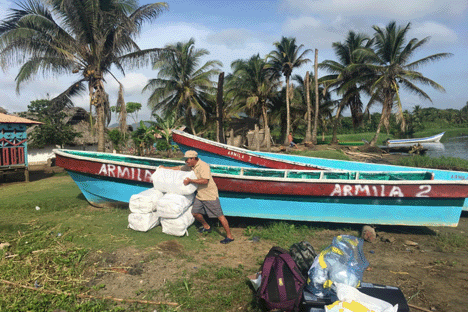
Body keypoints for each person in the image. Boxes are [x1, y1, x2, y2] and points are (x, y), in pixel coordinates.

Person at [160, 150, 234, 244]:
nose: (186, 162)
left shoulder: (203, 166)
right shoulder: (191, 166)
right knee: (195, 213)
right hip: (200, 194)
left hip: (209, 195)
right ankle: (207, 227)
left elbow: (205, 181)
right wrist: (165, 168)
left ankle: (230, 236)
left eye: (187, 160)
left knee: (220, 216)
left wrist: (190, 181)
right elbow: (179, 168)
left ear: (193, 158)